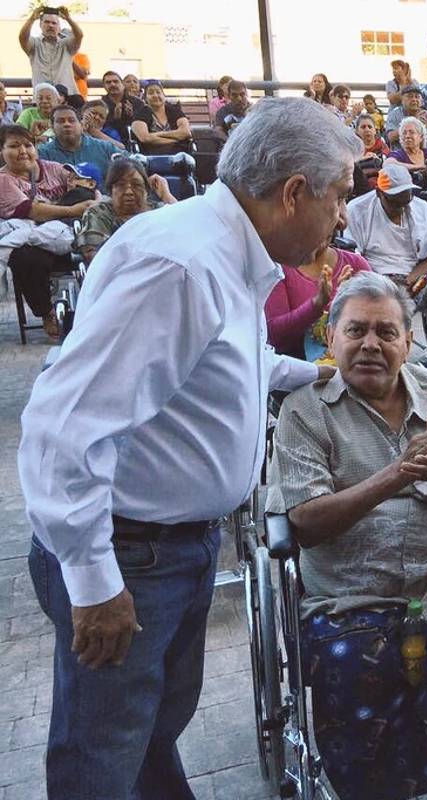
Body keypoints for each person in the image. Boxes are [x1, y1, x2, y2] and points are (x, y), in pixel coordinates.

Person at [18, 96, 357, 800]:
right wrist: (93, 581)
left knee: (146, 734)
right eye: (340, 196)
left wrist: (322, 373)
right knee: (101, 757)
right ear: (295, 193)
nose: (344, 217)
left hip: (172, 547)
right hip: (129, 555)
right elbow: (62, 426)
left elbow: (234, 366)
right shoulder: (183, 265)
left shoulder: (224, 252)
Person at [267, 270, 427, 800]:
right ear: (331, 335)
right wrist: (397, 475)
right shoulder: (304, 411)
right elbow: (306, 522)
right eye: (356, 330)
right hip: (350, 593)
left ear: (410, 342)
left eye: (387, 333)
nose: (371, 344)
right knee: (354, 688)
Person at [0, 123, 95, 339]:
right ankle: (46, 312)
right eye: (14, 146)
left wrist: (91, 200)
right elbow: (32, 211)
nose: (23, 151)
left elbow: (88, 188)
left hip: (69, 233)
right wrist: (72, 209)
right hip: (35, 241)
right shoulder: (2, 180)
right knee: (25, 257)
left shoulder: (52, 167)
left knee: (81, 194)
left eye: (28, 145)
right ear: (2, 151)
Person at [264, 234, 371, 360]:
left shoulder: (356, 264)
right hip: (298, 370)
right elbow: (275, 337)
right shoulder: (279, 267)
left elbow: (376, 316)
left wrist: (345, 302)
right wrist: (317, 304)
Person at [345, 160, 427, 292]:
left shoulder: (421, 208)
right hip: (374, 275)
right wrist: (384, 283)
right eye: (395, 203)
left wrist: (408, 281)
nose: (401, 208)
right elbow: (353, 260)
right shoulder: (357, 209)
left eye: (406, 201)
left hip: (412, 273)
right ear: (378, 193)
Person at [74, 157, 177, 265]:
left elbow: (184, 235)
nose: (129, 192)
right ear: (110, 191)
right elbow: (94, 255)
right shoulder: (99, 213)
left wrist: (166, 195)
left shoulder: (159, 211)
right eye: (121, 185)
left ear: (146, 190)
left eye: (137, 185)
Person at [38, 103, 122, 182]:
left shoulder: (104, 148)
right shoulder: (43, 153)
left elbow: (129, 161)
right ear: (52, 127)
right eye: (60, 121)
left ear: (81, 125)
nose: (67, 124)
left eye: (71, 120)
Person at [18, 6, 82, 96]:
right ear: (40, 25)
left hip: (68, 98)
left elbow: (79, 36)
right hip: (43, 98)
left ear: (59, 27)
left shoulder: (67, 44)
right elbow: (23, 37)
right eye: (46, 22)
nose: (50, 25)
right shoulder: (34, 44)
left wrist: (68, 19)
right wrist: (32, 18)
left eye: (54, 23)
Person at [130, 82, 192, 155]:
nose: (155, 95)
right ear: (145, 98)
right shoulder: (140, 113)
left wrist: (156, 135)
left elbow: (186, 132)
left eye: (158, 92)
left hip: (179, 154)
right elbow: (145, 138)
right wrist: (176, 140)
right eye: (151, 93)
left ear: (164, 96)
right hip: (151, 155)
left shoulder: (175, 111)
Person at [101, 69, 146, 147]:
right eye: (108, 82)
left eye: (116, 81)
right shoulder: (100, 105)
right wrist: (115, 118)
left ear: (122, 84)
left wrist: (132, 116)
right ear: (104, 86)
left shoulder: (137, 103)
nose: (112, 84)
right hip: (111, 144)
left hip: (136, 143)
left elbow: (144, 126)